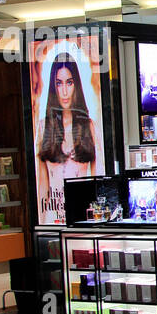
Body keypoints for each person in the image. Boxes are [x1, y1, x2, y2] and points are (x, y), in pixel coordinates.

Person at [36, 53, 99, 223]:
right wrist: (41, 225)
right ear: (53, 86)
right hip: (54, 214)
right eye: (59, 83)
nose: (64, 91)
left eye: (69, 82)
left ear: (76, 84)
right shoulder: (44, 127)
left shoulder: (88, 126)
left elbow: (97, 177)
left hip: (84, 213)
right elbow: (42, 184)